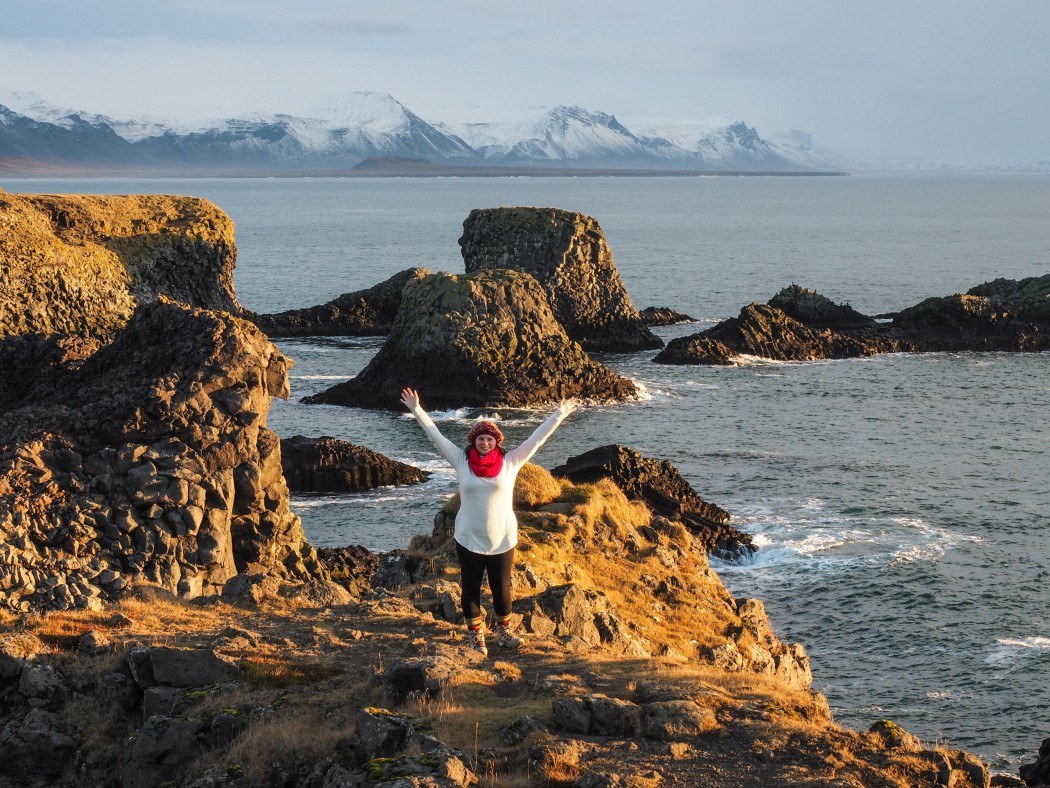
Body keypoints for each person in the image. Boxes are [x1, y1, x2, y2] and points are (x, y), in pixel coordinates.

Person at [400, 387, 578, 656]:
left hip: (502, 537)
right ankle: (476, 637)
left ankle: (504, 633)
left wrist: (560, 413)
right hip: (468, 537)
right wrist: (416, 409)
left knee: (501, 588)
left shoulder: (510, 462)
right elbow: (435, 437)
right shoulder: (461, 461)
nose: (485, 443)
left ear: (496, 442)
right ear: (474, 441)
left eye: (490, 439)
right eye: (481, 439)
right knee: (470, 587)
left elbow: (537, 439)